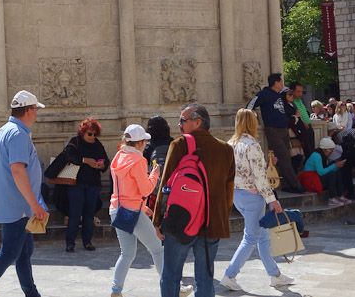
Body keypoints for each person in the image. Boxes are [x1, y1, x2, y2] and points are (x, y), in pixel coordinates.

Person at [153, 102, 235, 297]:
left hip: (181, 219)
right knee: (205, 277)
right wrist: (222, 216)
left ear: (197, 122)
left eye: (183, 120)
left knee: (171, 274)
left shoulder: (180, 144)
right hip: (212, 222)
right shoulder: (225, 149)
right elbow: (229, 188)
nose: (179, 124)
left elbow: (166, 185)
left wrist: (157, 219)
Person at [0, 90, 48, 297]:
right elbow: (17, 170)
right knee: (8, 254)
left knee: (24, 253)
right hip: (20, 207)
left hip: (13, 203)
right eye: (36, 109)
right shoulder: (18, 134)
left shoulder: (4, 131)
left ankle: (32, 293)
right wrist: (34, 204)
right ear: (29, 110)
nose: (36, 114)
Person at [220, 109, 294, 291]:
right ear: (253, 123)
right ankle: (230, 275)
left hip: (237, 194)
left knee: (262, 236)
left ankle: (275, 275)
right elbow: (259, 176)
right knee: (251, 237)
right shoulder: (252, 145)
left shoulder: (231, 144)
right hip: (253, 196)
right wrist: (272, 200)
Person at [109, 125, 164, 297]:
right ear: (139, 142)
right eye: (145, 141)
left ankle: (116, 291)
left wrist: (142, 206)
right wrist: (154, 174)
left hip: (117, 209)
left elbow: (126, 189)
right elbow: (146, 190)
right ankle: (171, 287)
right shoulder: (139, 161)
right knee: (157, 249)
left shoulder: (118, 156)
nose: (146, 143)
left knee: (126, 254)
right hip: (132, 210)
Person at [247, 74, 306, 193]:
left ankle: (286, 185)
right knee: (283, 156)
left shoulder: (278, 95)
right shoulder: (265, 93)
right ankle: (295, 185)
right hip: (273, 130)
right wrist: (250, 119)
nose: (282, 84)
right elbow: (251, 104)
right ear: (276, 82)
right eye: (281, 81)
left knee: (285, 158)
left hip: (283, 129)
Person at [63, 118, 110, 252]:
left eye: (95, 134)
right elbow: (68, 156)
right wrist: (85, 161)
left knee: (90, 213)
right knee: (75, 213)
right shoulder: (75, 141)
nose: (92, 137)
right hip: (76, 183)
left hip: (93, 183)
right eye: (90, 134)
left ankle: (87, 241)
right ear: (83, 132)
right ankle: (70, 243)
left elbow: (106, 161)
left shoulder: (98, 144)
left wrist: (102, 165)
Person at [302, 138, 347, 206]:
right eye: (330, 151)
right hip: (311, 180)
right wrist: (334, 166)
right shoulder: (316, 155)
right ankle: (331, 198)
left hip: (316, 177)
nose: (331, 153)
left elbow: (326, 169)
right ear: (324, 149)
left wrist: (337, 167)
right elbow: (321, 172)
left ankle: (340, 195)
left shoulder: (323, 156)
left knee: (336, 173)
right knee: (331, 175)